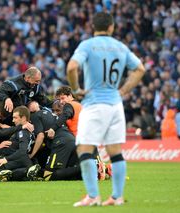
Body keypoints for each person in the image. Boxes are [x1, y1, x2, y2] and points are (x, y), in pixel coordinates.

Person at [67, 12, 145, 206]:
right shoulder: (121, 47)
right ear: (111, 27)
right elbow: (140, 69)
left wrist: (76, 90)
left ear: (93, 26)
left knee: (84, 149)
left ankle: (93, 196)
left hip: (94, 104)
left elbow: (71, 68)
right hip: (115, 104)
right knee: (115, 152)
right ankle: (116, 197)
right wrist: (124, 90)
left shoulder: (87, 45)